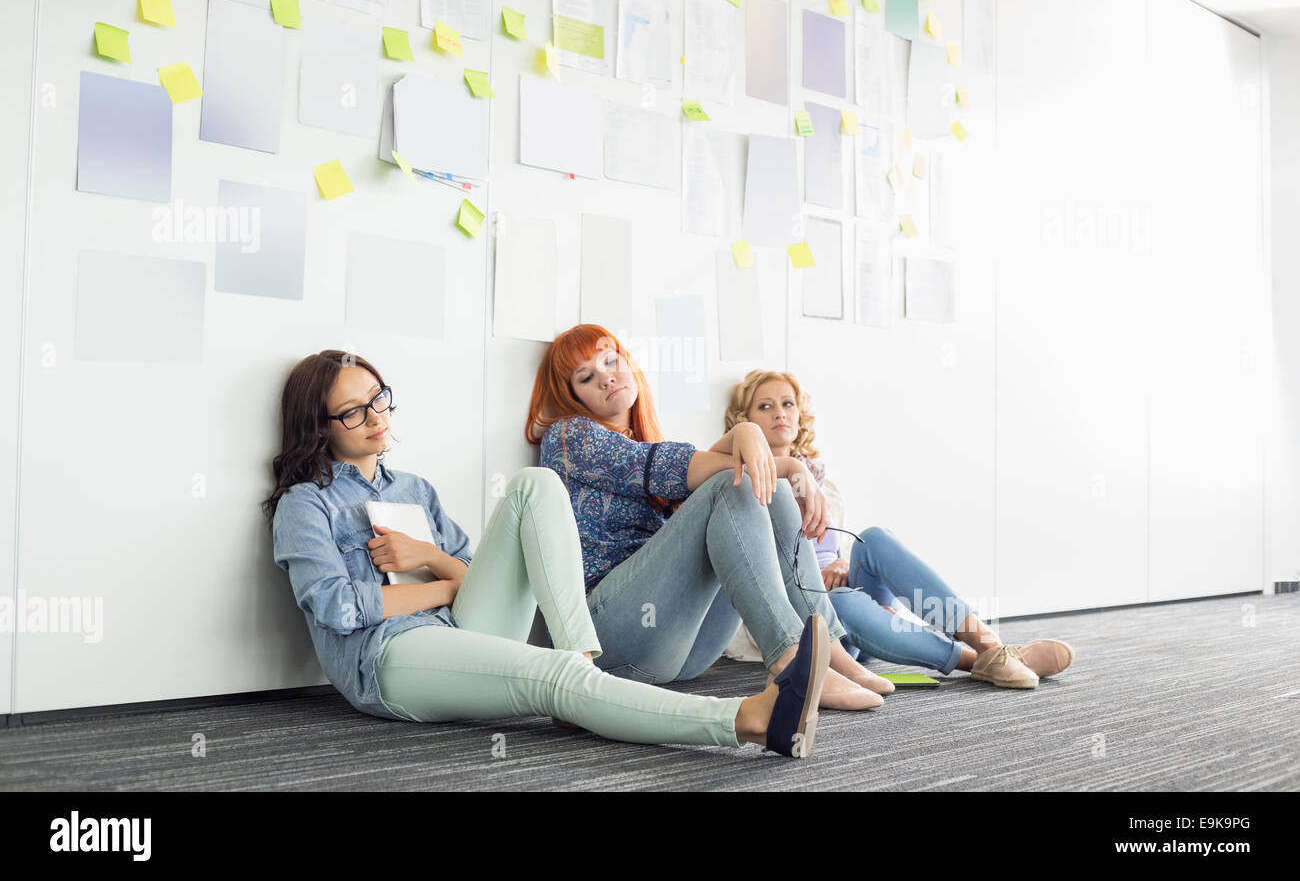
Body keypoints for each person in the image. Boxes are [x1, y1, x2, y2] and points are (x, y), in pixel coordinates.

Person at [260, 350, 831, 758]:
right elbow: (336, 608)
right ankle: (746, 720)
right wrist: (439, 587)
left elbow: (473, 573)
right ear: (319, 426)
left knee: (537, 483)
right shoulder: (305, 504)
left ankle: (579, 655)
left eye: (378, 399)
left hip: (461, 624)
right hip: (389, 655)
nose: (376, 416)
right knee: (547, 675)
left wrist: (430, 558)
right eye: (354, 412)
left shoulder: (414, 489)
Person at [527, 325, 890, 711]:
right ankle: (788, 661)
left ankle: (829, 648)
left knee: (770, 488)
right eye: (586, 377)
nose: (606, 378)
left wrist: (766, 456)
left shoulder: (639, 437)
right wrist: (756, 441)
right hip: (606, 640)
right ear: (572, 396)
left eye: (611, 361)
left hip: (683, 653)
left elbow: (697, 478)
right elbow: (680, 469)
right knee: (739, 482)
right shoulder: (569, 437)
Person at [720, 369, 1075, 688]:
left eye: (787, 403)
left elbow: (830, 548)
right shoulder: (741, 483)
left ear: (800, 415)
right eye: (764, 407)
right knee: (840, 602)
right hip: (809, 618)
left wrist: (843, 564)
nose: (780, 412)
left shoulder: (823, 485)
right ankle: (979, 661)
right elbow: (757, 570)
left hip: (848, 599)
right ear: (745, 420)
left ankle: (990, 645)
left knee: (873, 538)